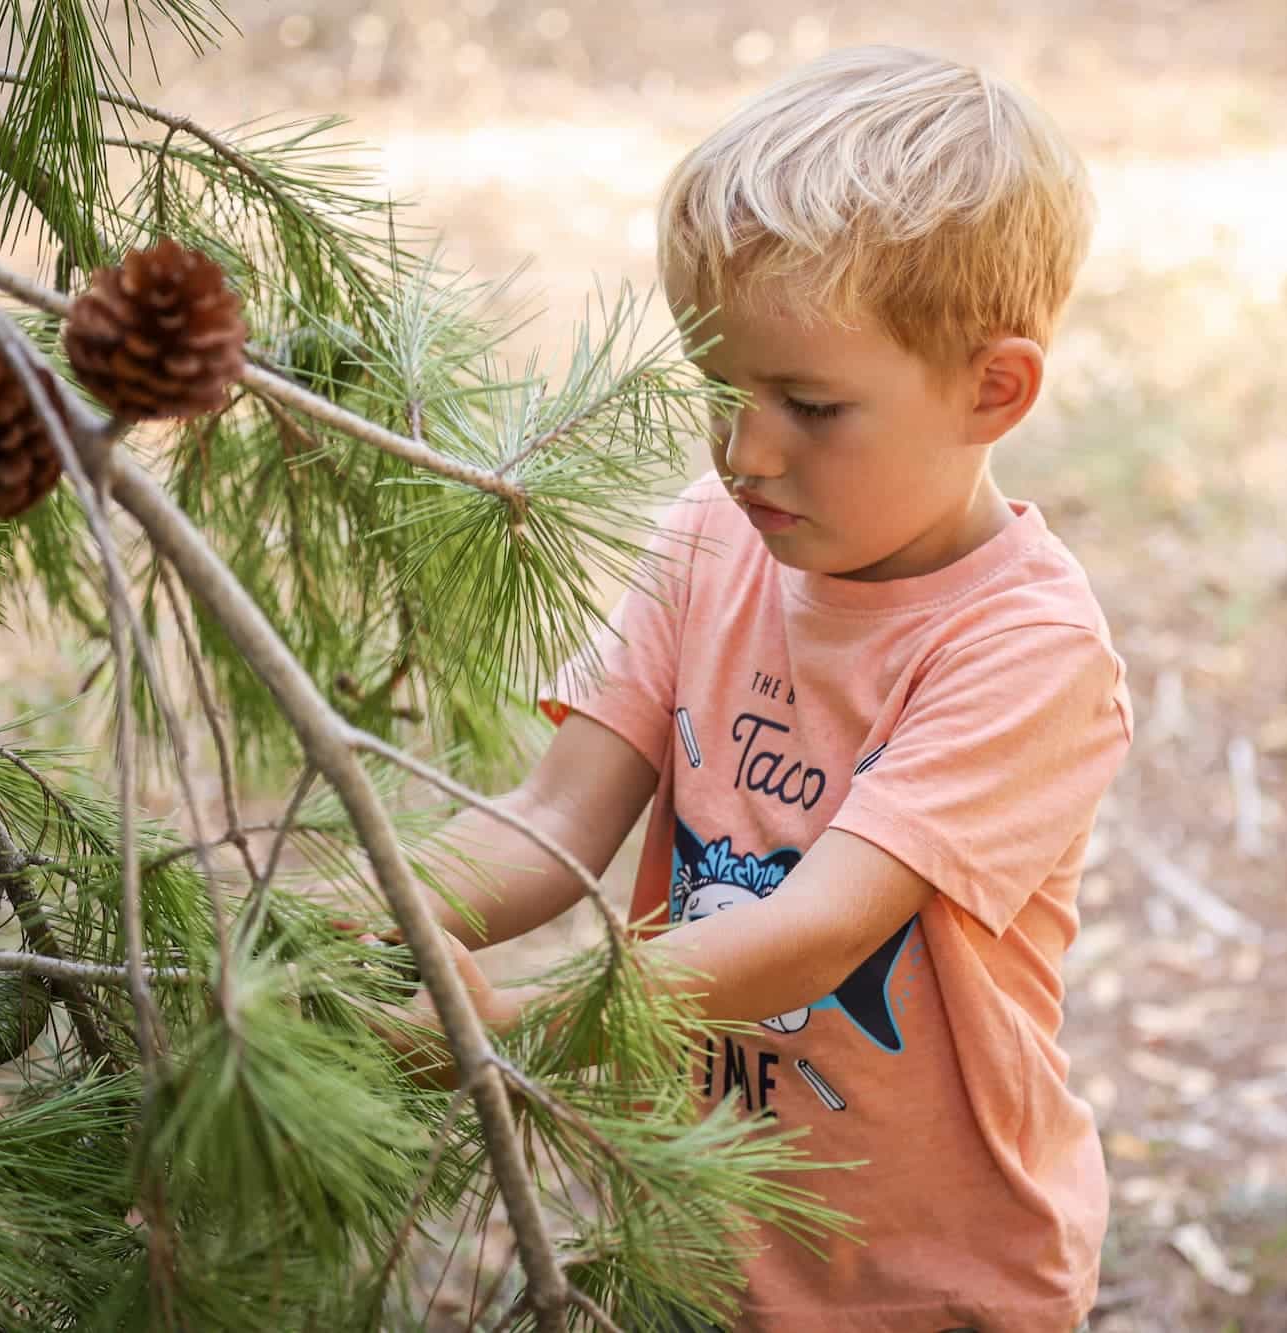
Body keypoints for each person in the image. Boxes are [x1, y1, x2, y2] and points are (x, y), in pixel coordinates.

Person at [393, 45, 1133, 1333]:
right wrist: (361, 913)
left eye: (809, 404)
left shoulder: (1027, 649)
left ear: (992, 389)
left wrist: (525, 1020)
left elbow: (819, 928)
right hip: (690, 1233)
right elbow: (554, 819)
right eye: (719, 391)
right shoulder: (706, 540)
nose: (745, 453)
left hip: (925, 1281)